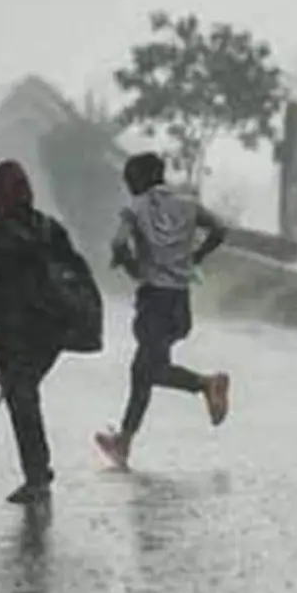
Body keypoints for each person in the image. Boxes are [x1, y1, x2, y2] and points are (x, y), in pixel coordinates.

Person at [94, 152, 231, 468]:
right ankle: (123, 442)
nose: (129, 189)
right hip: (180, 303)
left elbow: (118, 243)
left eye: (130, 183)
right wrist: (195, 258)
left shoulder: (136, 208)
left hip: (153, 300)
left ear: (139, 180)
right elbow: (220, 229)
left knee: (149, 370)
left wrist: (131, 267)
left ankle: (207, 384)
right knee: (142, 371)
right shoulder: (187, 204)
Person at [0, 159, 88, 505]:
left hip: (15, 331)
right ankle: (38, 471)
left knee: (21, 397)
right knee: (25, 394)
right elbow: (75, 272)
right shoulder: (50, 228)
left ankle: (37, 475)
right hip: (51, 331)